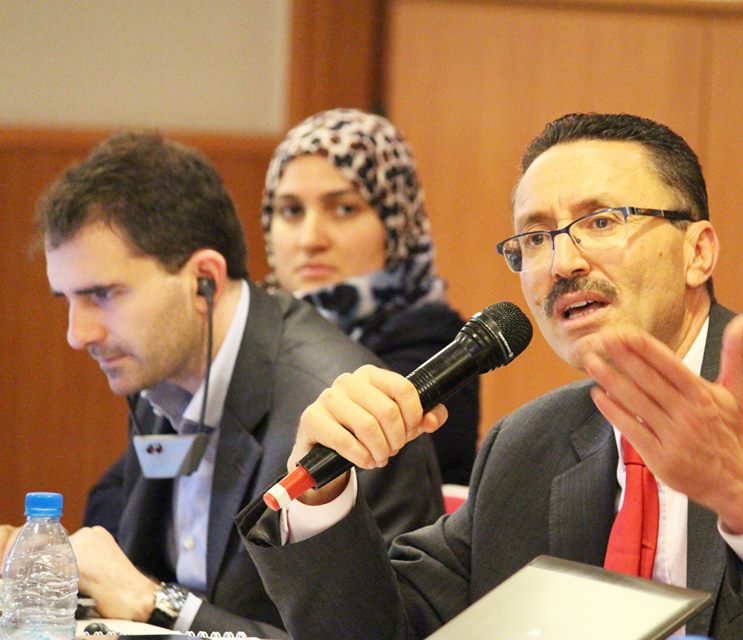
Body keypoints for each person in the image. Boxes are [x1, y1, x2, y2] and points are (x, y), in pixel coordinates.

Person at [239, 113, 743, 639]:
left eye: (602, 221)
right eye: (534, 238)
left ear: (698, 252)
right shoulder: (527, 447)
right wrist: (323, 494)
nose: (562, 263)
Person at [13, 131, 443, 637]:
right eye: (67, 299)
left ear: (205, 281)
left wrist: (159, 604)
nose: (78, 334)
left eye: (103, 295)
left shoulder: (342, 416)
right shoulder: (159, 367)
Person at [260, 108, 479, 485]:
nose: (310, 239)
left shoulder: (438, 346)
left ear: (397, 223)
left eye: (344, 209)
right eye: (291, 210)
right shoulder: (251, 329)